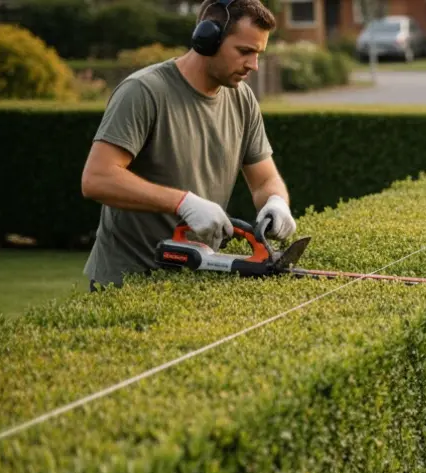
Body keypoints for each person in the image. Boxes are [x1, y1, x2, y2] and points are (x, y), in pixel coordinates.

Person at [80, 0, 296, 289]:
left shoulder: (242, 99)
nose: (253, 65)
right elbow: (97, 179)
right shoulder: (144, 92)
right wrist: (182, 203)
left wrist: (276, 201)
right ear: (207, 39)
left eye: (258, 54)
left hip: (190, 277)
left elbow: (264, 180)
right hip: (126, 281)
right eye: (245, 51)